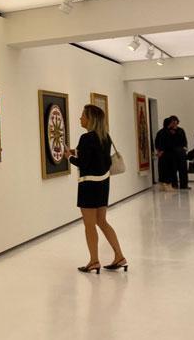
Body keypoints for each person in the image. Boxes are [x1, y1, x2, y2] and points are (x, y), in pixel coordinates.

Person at [63, 104, 126, 274]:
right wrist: (74, 151)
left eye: (83, 115)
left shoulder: (86, 138)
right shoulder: (105, 137)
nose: (80, 118)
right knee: (102, 221)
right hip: (103, 184)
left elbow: (83, 163)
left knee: (89, 225)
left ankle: (94, 261)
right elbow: (94, 155)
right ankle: (119, 256)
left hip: (89, 185)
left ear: (90, 119)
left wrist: (69, 157)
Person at [155, 117, 177, 190]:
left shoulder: (160, 132)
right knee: (169, 169)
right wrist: (161, 151)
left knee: (162, 169)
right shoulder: (168, 133)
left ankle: (162, 185)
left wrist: (158, 151)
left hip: (162, 154)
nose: (173, 124)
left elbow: (156, 143)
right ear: (169, 124)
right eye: (172, 123)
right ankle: (167, 185)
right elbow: (166, 143)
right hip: (168, 154)